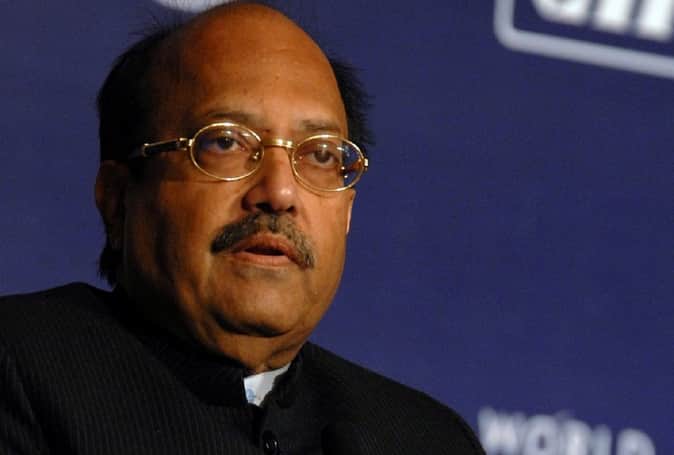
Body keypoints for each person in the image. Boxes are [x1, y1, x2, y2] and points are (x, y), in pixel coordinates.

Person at [0, 2, 484, 454]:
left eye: (319, 154)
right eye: (225, 142)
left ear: (348, 214)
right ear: (118, 198)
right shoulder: (20, 368)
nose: (280, 192)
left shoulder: (426, 439)